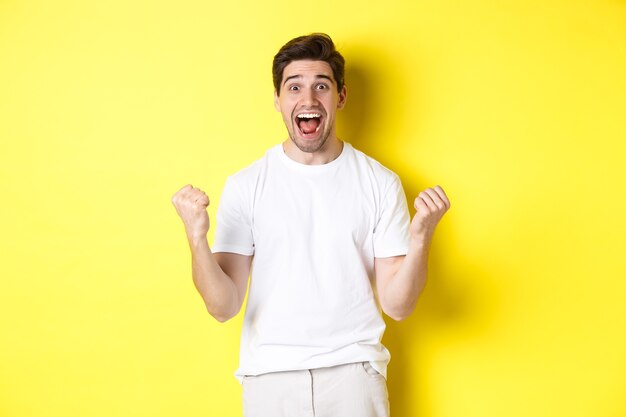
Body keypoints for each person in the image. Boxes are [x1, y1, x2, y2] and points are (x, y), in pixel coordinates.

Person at [171, 33, 450, 417]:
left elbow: (398, 306)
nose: (308, 99)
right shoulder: (246, 185)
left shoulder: (379, 182)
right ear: (278, 100)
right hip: (270, 379)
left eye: (322, 86)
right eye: (294, 87)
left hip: (354, 375)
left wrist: (420, 240)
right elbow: (222, 306)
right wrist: (196, 238)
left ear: (341, 97)